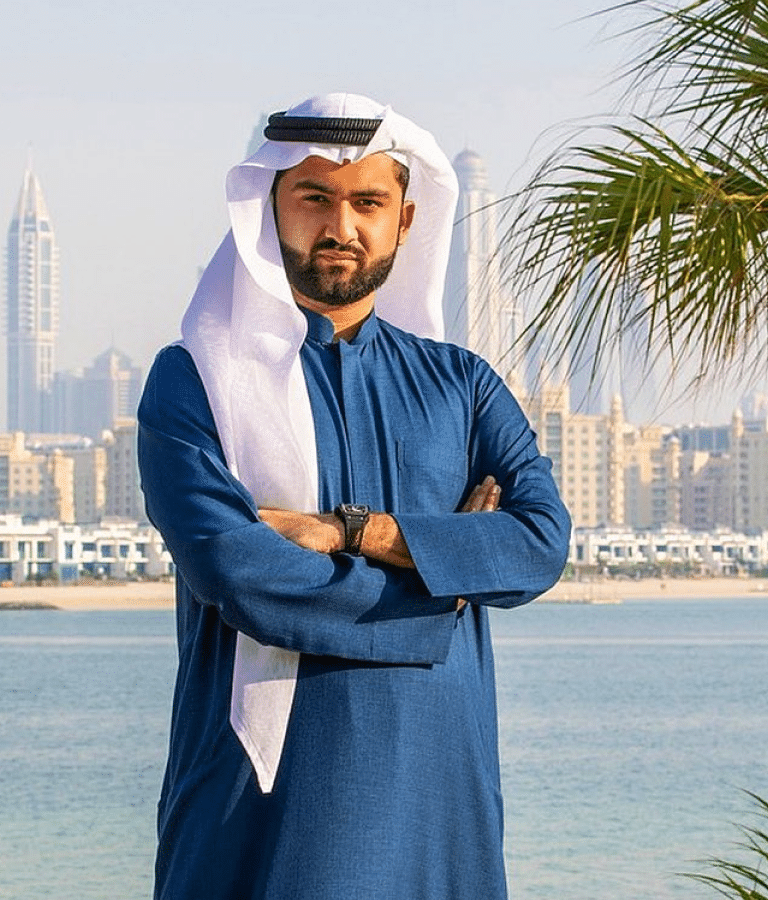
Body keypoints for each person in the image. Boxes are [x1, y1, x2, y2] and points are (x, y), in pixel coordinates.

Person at [137, 92, 570, 900]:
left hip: (441, 791)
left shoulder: (463, 385)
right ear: (269, 207)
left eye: (368, 202)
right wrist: (445, 581)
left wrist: (355, 532)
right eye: (315, 198)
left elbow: (538, 545)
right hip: (262, 804)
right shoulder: (195, 382)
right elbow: (242, 577)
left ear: (404, 221)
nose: (342, 225)